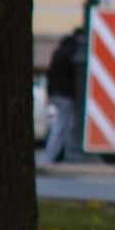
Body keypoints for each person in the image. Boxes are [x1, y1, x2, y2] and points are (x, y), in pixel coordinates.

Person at [39, 25, 82, 165]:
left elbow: (50, 74)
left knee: (62, 125)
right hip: (66, 95)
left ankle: (63, 154)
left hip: (56, 94)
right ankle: (50, 156)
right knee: (62, 126)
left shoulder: (59, 51)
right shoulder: (73, 53)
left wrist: (49, 93)